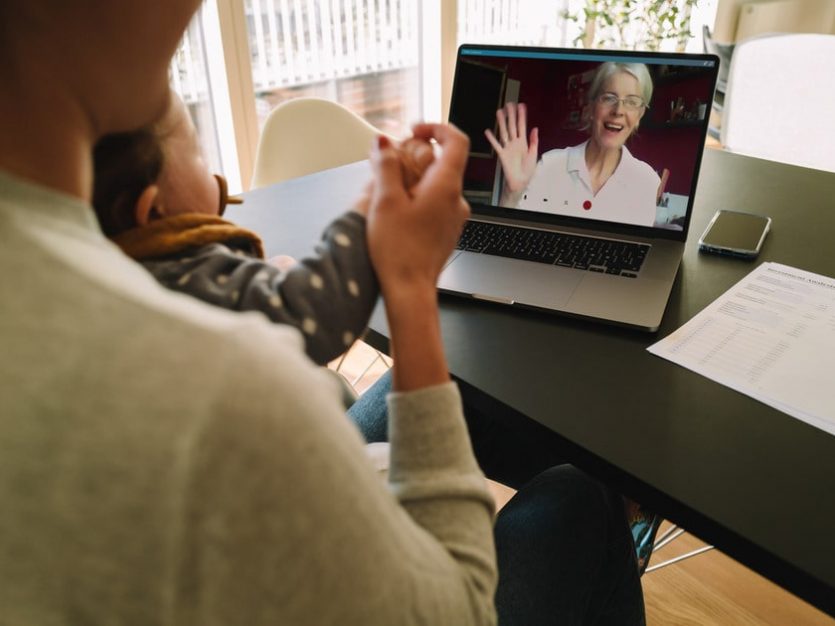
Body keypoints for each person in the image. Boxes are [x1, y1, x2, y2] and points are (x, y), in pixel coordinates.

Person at [0, 3, 644, 625]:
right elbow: (456, 608)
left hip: (270, 528)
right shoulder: (222, 377)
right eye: (200, 157)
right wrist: (411, 285)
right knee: (581, 496)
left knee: (436, 390)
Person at [92, 91, 388, 366]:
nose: (213, 171)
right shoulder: (189, 276)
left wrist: (266, 279)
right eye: (199, 156)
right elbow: (322, 314)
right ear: (154, 209)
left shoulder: (122, 275)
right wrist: (368, 206)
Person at [486, 62, 661, 227]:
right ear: (592, 107)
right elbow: (513, 235)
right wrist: (511, 192)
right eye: (609, 98)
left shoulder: (647, 182)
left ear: (639, 115)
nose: (618, 111)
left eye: (632, 102)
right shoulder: (549, 164)